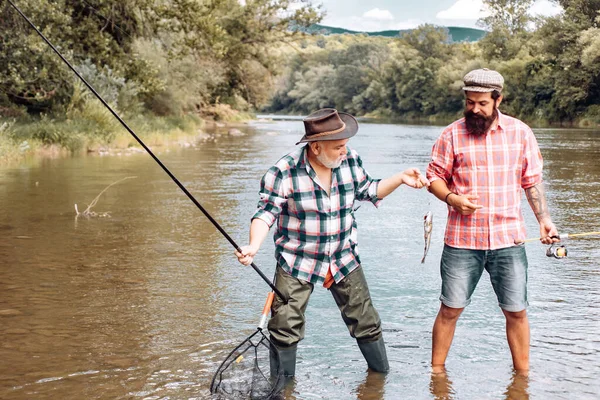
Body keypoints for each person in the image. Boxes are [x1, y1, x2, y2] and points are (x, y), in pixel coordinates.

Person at [235, 108, 429, 377]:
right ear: (315, 147)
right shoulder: (283, 172)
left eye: (346, 145)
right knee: (284, 327)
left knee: (367, 322)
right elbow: (265, 213)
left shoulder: (350, 161)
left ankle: (379, 381)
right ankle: (282, 391)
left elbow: (369, 189)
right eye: (338, 147)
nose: (345, 152)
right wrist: (253, 246)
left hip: (343, 256)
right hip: (297, 260)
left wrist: (400, 178)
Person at [426, 68, 560, 375]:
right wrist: (452, 199)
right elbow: (434, 177)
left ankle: (522, 378)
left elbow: (532, 181)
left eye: (482, 103)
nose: (475, 109)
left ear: (498, 99)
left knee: (516, 312)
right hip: (462, 242)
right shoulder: (450, 135)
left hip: (509, 240)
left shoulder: (521, 132)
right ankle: (436, 374)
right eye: (470, 102)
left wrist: (544, 220)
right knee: (450, 309)